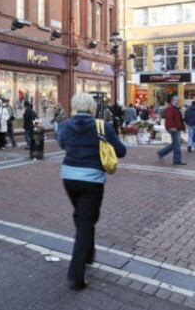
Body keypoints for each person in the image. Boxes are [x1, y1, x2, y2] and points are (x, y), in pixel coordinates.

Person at [56, 92, 127, 290]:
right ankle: (75, 275)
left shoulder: (66, 125)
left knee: (83, 216)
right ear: (92, 107)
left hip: (69, 177)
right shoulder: (102, 126)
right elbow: (121, 151)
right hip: (92, 180)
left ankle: (88, 254)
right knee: (86, 222)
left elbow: (62, 144)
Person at [156, 95, 186, 165]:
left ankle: (161, 152)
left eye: (178, 100)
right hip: (174, 128)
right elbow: (169, 118)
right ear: (172, 101)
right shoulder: (170, 108)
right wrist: (172, 126)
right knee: (177, 144)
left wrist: (183, 128)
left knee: (176, 144)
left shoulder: (175, 108)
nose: (177, 101)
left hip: (176, 128)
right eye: (176, 100)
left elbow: (179, 119)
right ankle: (177, 160)